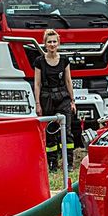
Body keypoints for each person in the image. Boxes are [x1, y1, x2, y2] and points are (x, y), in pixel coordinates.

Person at [34, 29, 77, 171]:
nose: (52, 44)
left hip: (63, 98)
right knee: (51, 132)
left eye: (54, 41)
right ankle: (52, 163)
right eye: (49, 42)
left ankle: (68, 162)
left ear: (58, 43)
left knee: (67, 132)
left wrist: (72, 100)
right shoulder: (39, 61)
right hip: (47, 99)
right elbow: (37, 84)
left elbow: (68, 81)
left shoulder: (64, 60)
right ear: (45, 44)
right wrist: (38, 104)